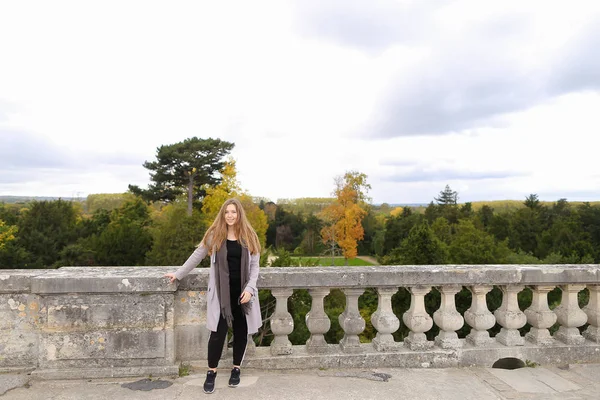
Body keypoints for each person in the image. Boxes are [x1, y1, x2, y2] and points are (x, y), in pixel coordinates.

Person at [164, 198, 262, 394]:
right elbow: (197, 256)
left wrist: (250, 289)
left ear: (239, 214)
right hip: (221, 295)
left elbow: (254, 267)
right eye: (227, 212)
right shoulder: (214, 235)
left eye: (234, 212)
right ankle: (212, 372)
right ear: (222, 214)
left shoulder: (249, 236)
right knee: (217, 334)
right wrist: (178, 274)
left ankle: (236, 369)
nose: (230, 215)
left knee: (242, 332)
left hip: (242, 294)